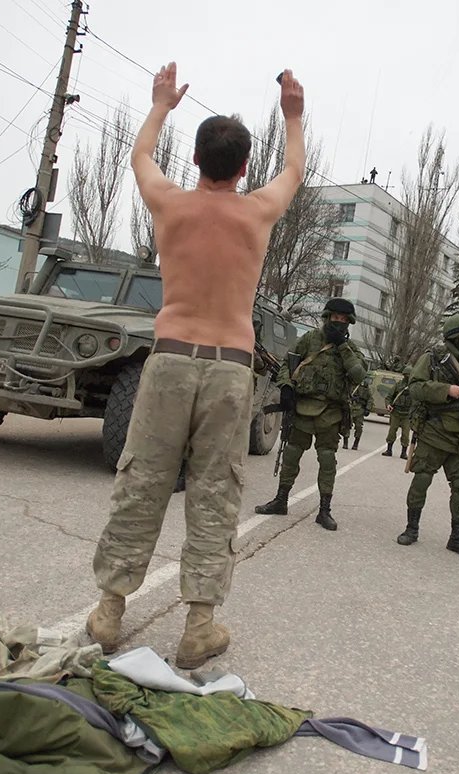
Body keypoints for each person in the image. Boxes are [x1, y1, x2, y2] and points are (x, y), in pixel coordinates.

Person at [86, 64, 306, 668]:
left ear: (196, 160)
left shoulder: (170, 204)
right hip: (231, 369)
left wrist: (160, 105)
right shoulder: (257, 212)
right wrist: (292, 115)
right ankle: (199, 625)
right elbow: (294, 171)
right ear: (241, 169)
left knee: (144, 482)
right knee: (215, 493)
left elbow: (138, 156)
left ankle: (109, 610)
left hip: (172, 360)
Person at [254, 297, 367, 530]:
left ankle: (324, 510)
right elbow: (287, 363)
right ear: (327, 318)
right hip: (302, 408)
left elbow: (358, 375)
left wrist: (342, 347)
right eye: (336, 318)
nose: (339, 323)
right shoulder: (309, 340)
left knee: (327, 460)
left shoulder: (351, 349)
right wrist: (285, 386)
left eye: (344, 320)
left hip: (331, 413)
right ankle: (281, 500)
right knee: (292, 454)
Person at [395, 314, 459, 560]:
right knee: (422, 479)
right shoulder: (433, 359)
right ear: (455, 336)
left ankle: (457, 537)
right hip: (434, 431)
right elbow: (415, 387)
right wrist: (445, 390)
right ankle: (411, 528)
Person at [383, 366, 413, 458]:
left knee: (405, 434)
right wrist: (388, 405)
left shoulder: (414, 387)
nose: (407, 376)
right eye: (405, 375)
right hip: (396, 412)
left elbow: (418, 401)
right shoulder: (398, 385)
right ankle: (389, 450)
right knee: (392, 432)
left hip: (407, 414)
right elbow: (389, 397)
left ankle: (403, 452)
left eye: (408, 375)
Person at [346, 380, 372, 450]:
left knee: (358, 427)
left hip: (360, 409)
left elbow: (370, 398)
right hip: (350, 408)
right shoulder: (349, 383)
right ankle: (345, 442)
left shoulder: (365, 386)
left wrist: (368, 409)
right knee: (346, 425)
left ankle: (356, 443)